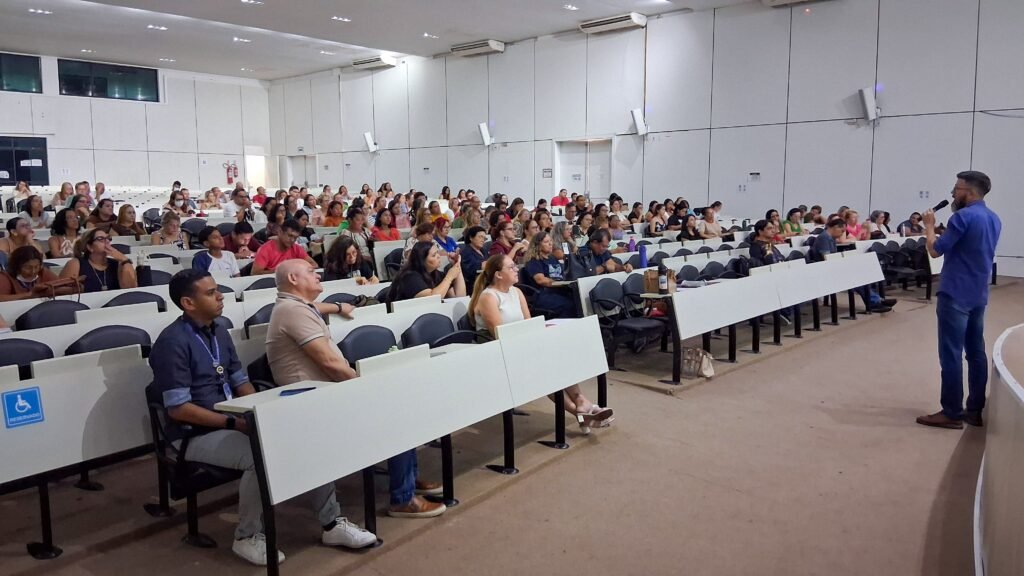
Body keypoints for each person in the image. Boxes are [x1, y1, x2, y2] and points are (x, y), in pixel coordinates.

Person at [150, 269, 377, 566]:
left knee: (308, 440)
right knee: (261, 455)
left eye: (217, 289)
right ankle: (246, 536)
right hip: (193, 434)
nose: (220, 296)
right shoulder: (172, 342)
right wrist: (236, 423)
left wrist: (260, 411)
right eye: (209, 293)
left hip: (235, 420)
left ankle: (332, 524)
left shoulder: (218, 331)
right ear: (188, 303)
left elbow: (240, 382)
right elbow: (178, 408)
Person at [267, 260, 444, 518]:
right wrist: (363, 383)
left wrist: (338, 306)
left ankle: (406, 475)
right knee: (398, 412)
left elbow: (314, 309)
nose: (317, 275)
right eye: (310, 272)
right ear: (293, 279)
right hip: (312, 400)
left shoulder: (295, 307)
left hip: (324, 392)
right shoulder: (293, 311)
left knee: (400, 398)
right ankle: (402, 498)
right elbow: (330, 364)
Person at [468, 254, 612, 434]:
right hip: (497, 350)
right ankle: (581, 410)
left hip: (519, 345)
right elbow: (499, 333)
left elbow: (528, 323)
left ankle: (582, 404)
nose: (516, 269)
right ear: (498, 274)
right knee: (546, 368)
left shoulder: (516, 292)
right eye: (511, 267)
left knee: (554, 358)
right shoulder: (488, 297)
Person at [916, 171, 1002, 430]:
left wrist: (930, 227)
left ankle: (951, 412)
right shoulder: (993, 218)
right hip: (977, 293)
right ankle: (974, 410)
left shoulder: (962, 216)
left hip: (954, 292)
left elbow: (934, 250)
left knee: (951, 353)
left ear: (970, 192)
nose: (953, 193)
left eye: (957, 188)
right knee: (975, 352)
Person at [808, 218, 894, 313]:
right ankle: (875, 302)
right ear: (836, 227)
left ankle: (877, 300)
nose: (842, 233)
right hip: (824, 272)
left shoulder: (830, 238)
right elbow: (827, 258)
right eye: (842, 231)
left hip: (831, 269)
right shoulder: (824, 238)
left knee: (860, 275)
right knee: (855, 278)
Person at [59, 228, 136, 292]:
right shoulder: (76, 264)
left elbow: (130, 291)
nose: (107, 241)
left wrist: (124, 259)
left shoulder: (118, 264)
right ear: (90, 247)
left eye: (108, 238)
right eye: (101, 239)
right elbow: (61, 292)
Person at [387, 241, 466, 302]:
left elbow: (459, 297)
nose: (439, 256)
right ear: (422, 260)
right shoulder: (409, 277)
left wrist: (457, 265)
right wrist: (449, 277)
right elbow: (431, 299)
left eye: (438, 253)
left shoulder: (436, 274)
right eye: (434, 255)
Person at [522, 232, 576, 318]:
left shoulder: (552, 258)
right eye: (546, 242)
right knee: (569, 305)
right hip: (544, 294)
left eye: (551, 241)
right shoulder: (534, 261)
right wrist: (558, 282)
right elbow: (541, 280)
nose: (551, 244)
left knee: (578, 300)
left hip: (560, 290)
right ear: (538, 245)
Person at [0, 246, 74, 301]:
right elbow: (1, 298)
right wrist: (30, 295)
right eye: (28, 268)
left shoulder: (43, 272)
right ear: (17, 266)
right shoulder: (5, 277)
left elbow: (61, 287)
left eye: (36, 267)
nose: (33, 271)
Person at [252, 219, 316, 275]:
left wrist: (297, 269)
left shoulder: (296, 248)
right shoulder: (265, 249)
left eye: (295, 237)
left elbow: (314, 265)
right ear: (280, 232)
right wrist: (281, 272)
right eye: (290, 236)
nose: (292, 240)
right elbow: (254, 273)